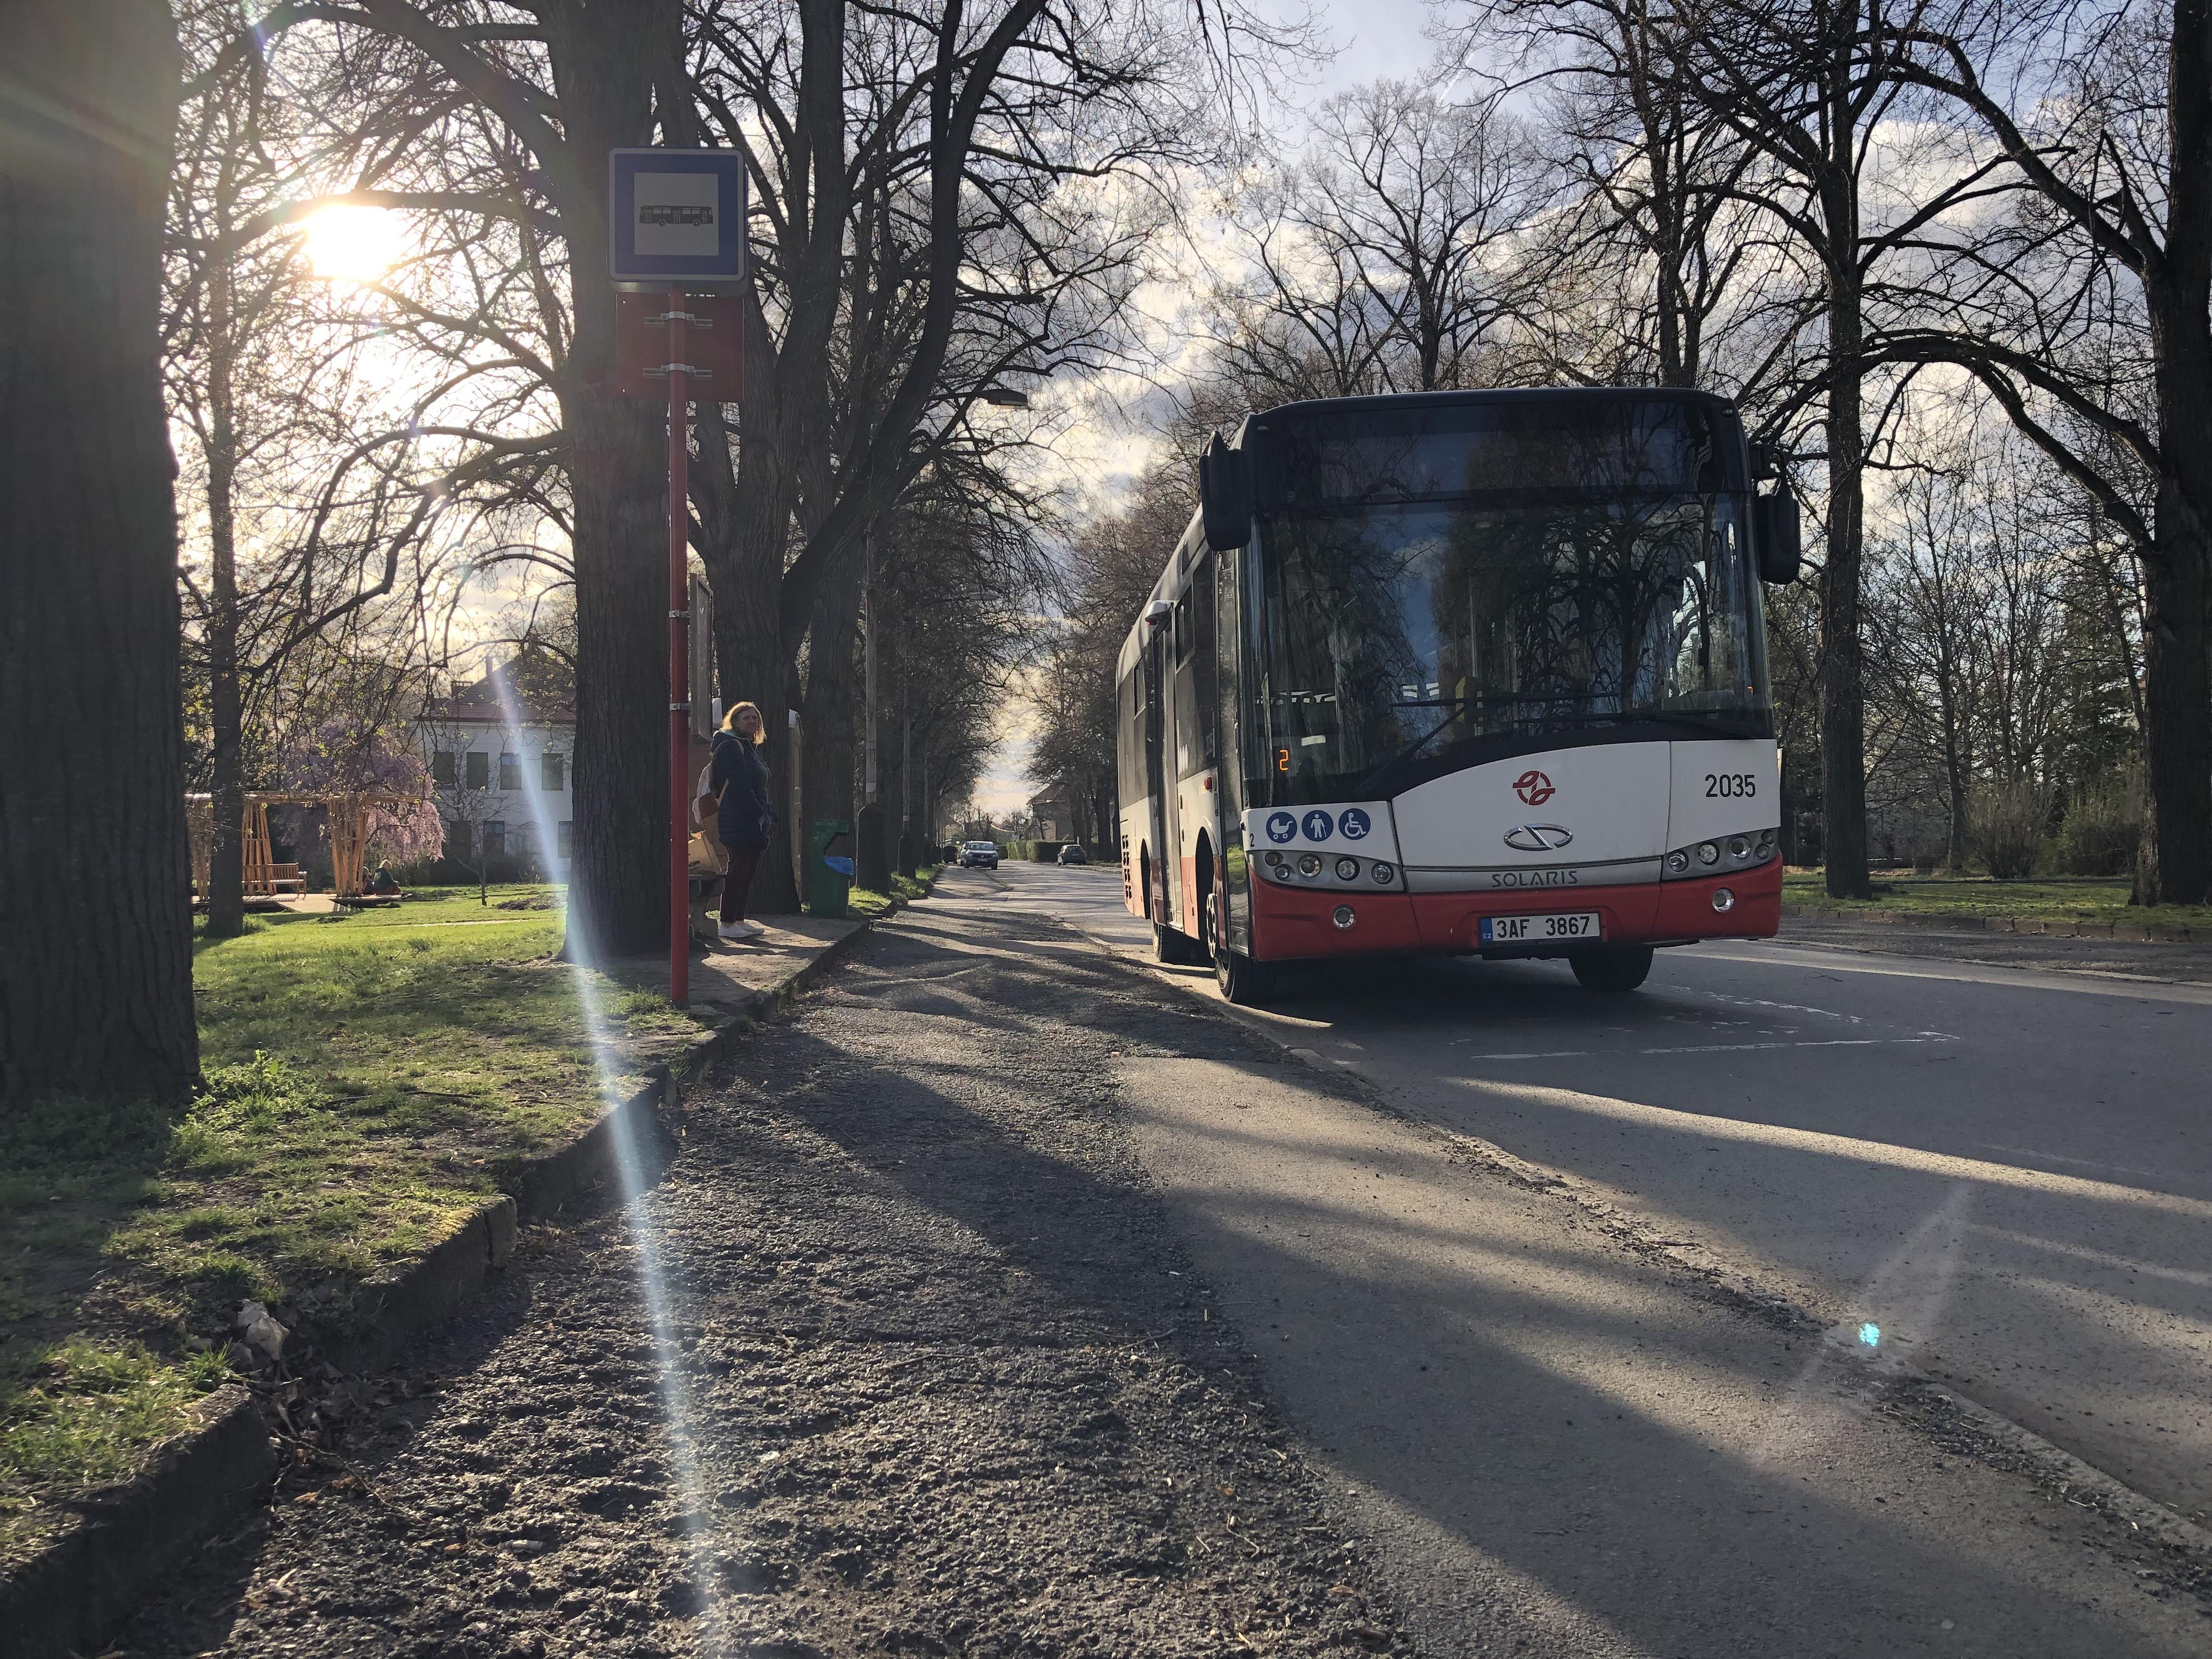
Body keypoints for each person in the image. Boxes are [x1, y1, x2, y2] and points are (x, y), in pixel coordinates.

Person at [708, 701, 773, 940]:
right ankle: (726, 922)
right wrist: (758, 812)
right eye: (746, 718)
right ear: (734, 721)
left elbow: (758, 784)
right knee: (738, 869)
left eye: (755, 718)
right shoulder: (730, 746)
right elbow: (740, 785)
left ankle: (738, 919)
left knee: (748, 870)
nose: (752, 722)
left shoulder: (749, 747)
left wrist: (767, 812)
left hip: (753, 818)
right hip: (737, 817)